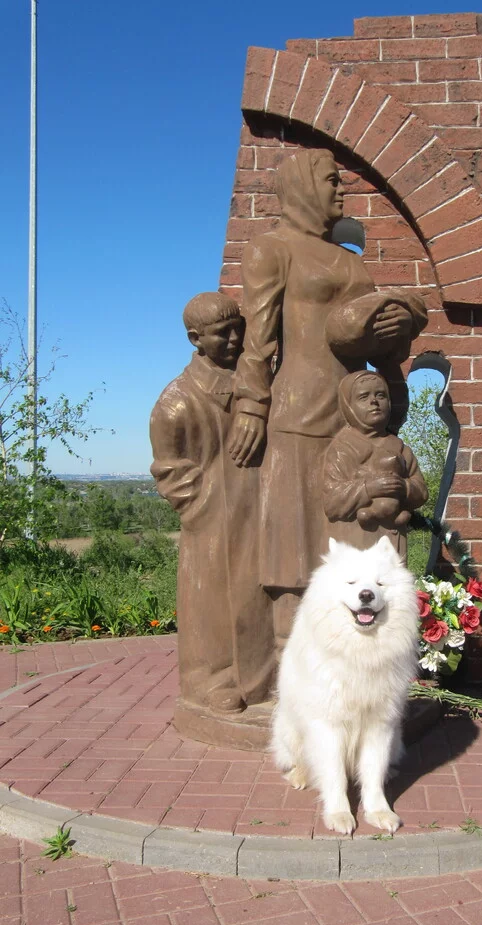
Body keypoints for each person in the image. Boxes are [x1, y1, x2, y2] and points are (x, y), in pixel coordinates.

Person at [229, 149, 427, 652]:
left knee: (349, 545)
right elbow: (259, 336)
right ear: (299, 187)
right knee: (294, 549)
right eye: (331, 181)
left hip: (353, 419)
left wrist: (396, 333)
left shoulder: (352, 265)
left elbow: (379, 341)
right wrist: (251, 405)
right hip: (296, 413)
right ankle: (286, 659)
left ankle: (352, 653)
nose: (342, 190)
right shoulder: (272, 249)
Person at [149, 292, 274, 713]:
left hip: (261, 507)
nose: (237, 338)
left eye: (239, 328)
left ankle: (263, 677)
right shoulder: (176, 402)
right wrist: (207, 511)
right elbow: (170, 471)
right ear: (195, 339)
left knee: (259, 593)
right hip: (213, 521)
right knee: (213, 601)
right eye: (224, 333)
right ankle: (210, 680)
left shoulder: (255, 385)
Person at [323, 371, 428, 552]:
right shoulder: (343, 448)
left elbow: (422, 490)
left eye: (380, 395)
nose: (374, 402)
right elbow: (332, 501)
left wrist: (405, 487)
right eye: (364, 397)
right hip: (356, 542)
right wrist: (369, 488)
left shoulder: (400, 448)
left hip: (392, 542)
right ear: (349, 406)